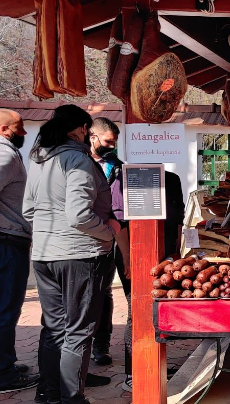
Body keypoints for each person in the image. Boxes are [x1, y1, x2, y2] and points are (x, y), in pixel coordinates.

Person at [23, 105, 121, 404]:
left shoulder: (39, 159)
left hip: (44, 254)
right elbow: (78, 215)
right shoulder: (77, 159)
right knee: (78, 332)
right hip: (80, 255)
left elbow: (28, 209)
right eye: (86, 130)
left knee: (54, 329)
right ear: (79, 130)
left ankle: (48, 395)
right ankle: (71, 399)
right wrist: (109, 231)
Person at [0, 109, 40, 393]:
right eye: (19, 128)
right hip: (7, 241)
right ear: (4, 129)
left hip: (9, 239)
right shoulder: (5, 154)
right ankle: (3, 374)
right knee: (6, 308)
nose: (24, 134)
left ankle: (6, 362)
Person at [87, 118, 125, 384]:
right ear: (92, 136)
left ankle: (102, 345)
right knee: (90, 295)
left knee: (108, 293)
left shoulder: (118, 167)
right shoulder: (78, 164)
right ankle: (83, 349)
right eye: (108, 142)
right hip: (87, 238)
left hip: (115, 235)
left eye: (115, 143)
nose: (112, 147)